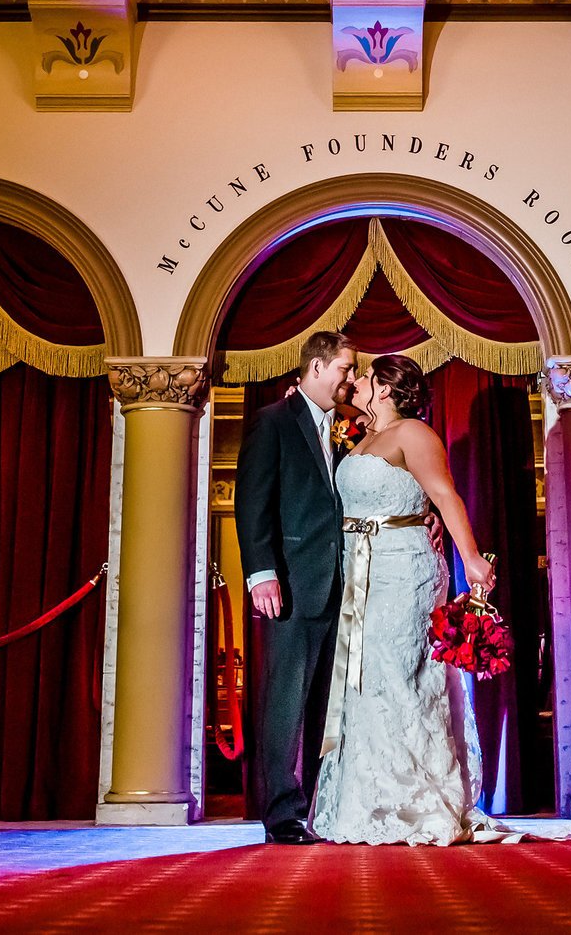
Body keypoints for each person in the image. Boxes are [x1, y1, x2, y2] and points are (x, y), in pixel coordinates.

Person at [311, 352, 514, 845]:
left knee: (397, 672)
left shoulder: (412, 434)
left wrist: (471, 558)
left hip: (404, 570)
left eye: (363, 375)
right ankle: (372, 800)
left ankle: (418, 799)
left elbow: (444, 495)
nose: (354, 381)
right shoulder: (362, 439)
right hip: (360, 569)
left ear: (383, 387)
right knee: (362, 678)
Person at [233, 330, 355, 844]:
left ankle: (317, 808)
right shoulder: (273, 421)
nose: (351, 379)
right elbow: (252, 499)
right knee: (285, 699)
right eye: (346, 368)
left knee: (323, 704)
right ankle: (281, 813)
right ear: (318, 367)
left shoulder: (343, 429)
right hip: (290, 582)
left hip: (338, 585)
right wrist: (261, 572)